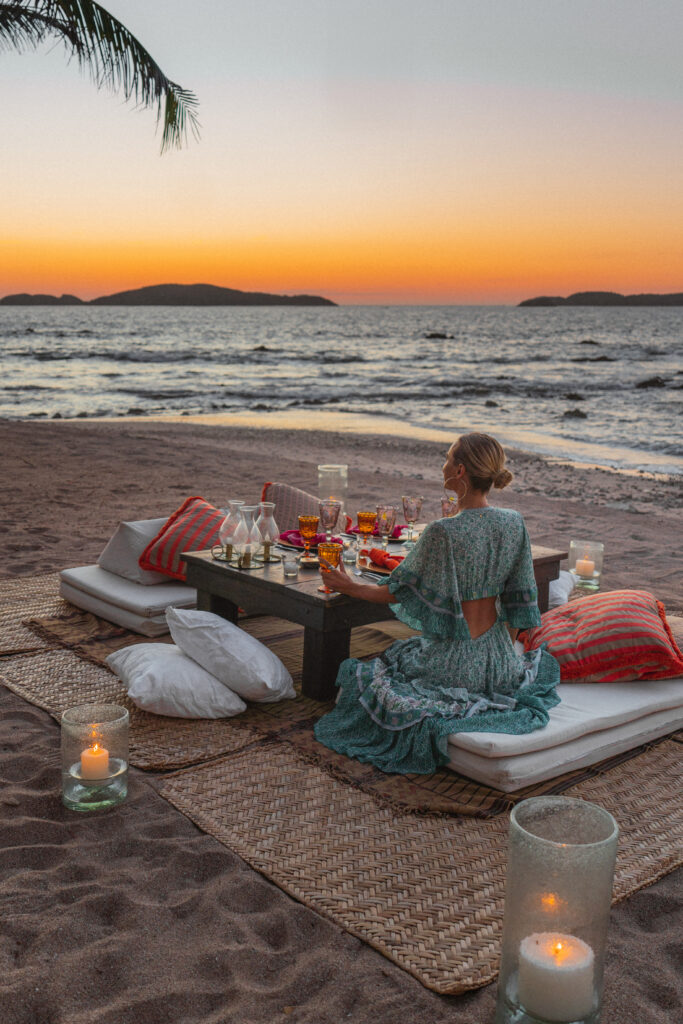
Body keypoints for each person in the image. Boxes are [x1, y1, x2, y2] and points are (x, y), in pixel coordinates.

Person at [314, 432, 560, 775]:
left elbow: (395, 592)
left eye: (447, 458)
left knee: (376, 671)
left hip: (453, 664)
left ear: (459, 472)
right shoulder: (513, 522)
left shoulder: (443, 532)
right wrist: (501, 651)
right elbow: (520, 597)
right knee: (407, 651)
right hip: (502, 663)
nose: (443, 464)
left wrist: (348, 585)